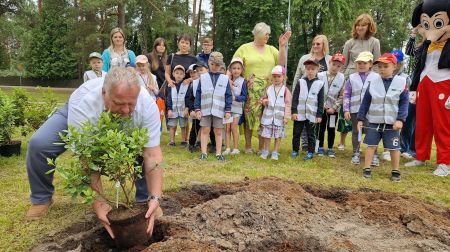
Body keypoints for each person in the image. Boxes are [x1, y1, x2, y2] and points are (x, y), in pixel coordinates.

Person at [26, 67, 164, 238]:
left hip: (128, 125)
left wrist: (156, 197)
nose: (126, 110)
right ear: (104, 93)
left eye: (131, 104)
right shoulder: (84, 106)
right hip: (78, 114)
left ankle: (145, 201)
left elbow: (152, 155)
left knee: (139, 146)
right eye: (120, 103)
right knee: (39, 144)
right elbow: (87, 158)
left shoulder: (147, 105)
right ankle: (41, 198)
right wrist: (97, 201)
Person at [233, 22, 291, 154]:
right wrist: (228, 80)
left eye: (268, 35)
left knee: (264, 118)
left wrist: (282, 46)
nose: (268, 37)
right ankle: (248, 146)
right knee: (249, 118)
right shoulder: (244, 48)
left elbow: (281, 64)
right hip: (250, 91)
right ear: (258, 34)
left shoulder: (271, 49)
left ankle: (261, 148)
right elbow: (234, 65)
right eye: (266, 34)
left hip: (268, 91)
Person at [407, 0, 450, 177]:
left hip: (444, 83)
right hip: (425, 84)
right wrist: (414, 88)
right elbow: (418, 67)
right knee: (422, 123)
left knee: (443, 125)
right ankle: (421, 155)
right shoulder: (426, 45)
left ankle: (445, 162)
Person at [357, 53, 409, 182]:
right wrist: (360, 118)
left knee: (394, 147)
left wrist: (400, 119)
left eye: (386, 66)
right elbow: (365, 102)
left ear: (394, 66)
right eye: (379, 66)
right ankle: (367, 168)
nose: (382, 69)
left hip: (392, 124)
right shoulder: (372, 82)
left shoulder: (402, 82)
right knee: (370, 145)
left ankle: (395, 170)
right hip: (374, 122)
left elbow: (404, 103)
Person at [339, 13, 381, 151]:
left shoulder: (375, 42)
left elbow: (376, 64)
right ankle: (345, 144)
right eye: (358, 25)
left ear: (369, 26)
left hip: (369, 80)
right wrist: (342, 79)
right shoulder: (349, 43)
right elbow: (343, 65)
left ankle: (371, 148)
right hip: (351, 77)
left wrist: (375, 80)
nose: (360, 27)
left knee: (369, 119)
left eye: (363, 25)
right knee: (349, 115)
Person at [292, 35, 332, 152]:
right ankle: (305, 144)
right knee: (303, 120)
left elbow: (332, 78)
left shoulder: (329, 60)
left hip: (321, 96)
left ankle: (316, 145)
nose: (315, 46)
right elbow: (297, 76)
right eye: (314, 43)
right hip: (304, 96)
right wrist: (295, 92)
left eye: (318, 44)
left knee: (318, 121)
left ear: (324, 45)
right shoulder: (305, 58)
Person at [194, 52, 232, 161]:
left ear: (221, 65)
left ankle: (218, 153)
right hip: (205, 109)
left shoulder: (225, 79)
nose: (215, 67)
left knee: (219, 131)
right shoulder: (203, 77)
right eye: (213, 64)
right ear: (209, 63)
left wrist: (228, 110)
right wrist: (197, 109)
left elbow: (228, 95)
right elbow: (198, 93)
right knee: (205, 129)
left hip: (219, 110)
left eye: (218, 65)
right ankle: (203, 153)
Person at [343, 51, 379, 165]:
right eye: (359, 63)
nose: (361, 65)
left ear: (370, 64)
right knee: (355, 131)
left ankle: (374, 154)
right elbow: (346, 94)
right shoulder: (351, 78)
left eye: (364, 62)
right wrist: (346, 109)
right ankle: (356, 153)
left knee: (372, 132)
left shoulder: (377, 77)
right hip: (355, 110)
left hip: (371, 111)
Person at [382, 49, 413, 162]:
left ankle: (395, 149)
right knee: (385, 128)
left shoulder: (405, 78)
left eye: (398, 62)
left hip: (398, 109)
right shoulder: (383, 75)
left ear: (400, 64)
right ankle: (386, 151)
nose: (396, 64)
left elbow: (406, 96)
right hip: (386, 108)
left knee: (396, 130)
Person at [291, 59, 324, 160]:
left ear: (317, 69)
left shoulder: (320, 83)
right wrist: (294, 111)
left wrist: (319, 115)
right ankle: (295, 150)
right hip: (299, 113)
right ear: (305, 69)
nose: (310, 71)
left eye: (312, 69)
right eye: (308, 69)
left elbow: (321, 101)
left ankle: (310, 152)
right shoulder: (300, 82)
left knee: (311, 134)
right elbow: (295, 97)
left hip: (312, 114)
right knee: (296, 133)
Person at [316, 53, 346, 158]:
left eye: (338, 66)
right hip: (321, 108)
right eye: (333, 64)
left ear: (341, 67)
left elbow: (342, 95)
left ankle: (330, 148)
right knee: (321, 127)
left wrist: (334, 107)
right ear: (329, 63)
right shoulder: (320, 76)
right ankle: (319, 147)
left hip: (333, 110)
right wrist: (322, 105)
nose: (335, 67)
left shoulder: (342, 78)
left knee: (331, 128)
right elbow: (316, 92)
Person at [259, 65, 291, 160]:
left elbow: (288, 104)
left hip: (279, 118)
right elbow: (262, 99)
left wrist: (286, 117)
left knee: (278, 136)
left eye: (279, 76)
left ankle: (275, 152)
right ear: (271, 77)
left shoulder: (285, 90)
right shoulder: (268, 88)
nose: (276, 78)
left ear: (284, 77)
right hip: (268, 118)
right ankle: (265, 151)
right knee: (267, 135)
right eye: (274, 76)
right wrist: (264, 102)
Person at [223, 58, 248, 155]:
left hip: (237, 108)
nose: (236, 70)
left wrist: (235, 98)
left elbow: (244, 96)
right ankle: (228, 148)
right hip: (227, 108)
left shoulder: (243, 81)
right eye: (234, 68)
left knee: (234, 127)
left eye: (238, 68)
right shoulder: (226, 80)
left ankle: (236, 148)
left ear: (241, 70)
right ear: (230, 69)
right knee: (227, 128)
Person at [186, 63, 208, 152]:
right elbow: (189, 98)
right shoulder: (193, 84)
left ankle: (213, 145)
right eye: (197, 71)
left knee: (209, 129)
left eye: (201, 70)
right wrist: (191, 110)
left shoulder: (211, 81)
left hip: (208, 110)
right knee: (195, 127)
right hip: (197, 110)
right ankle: (192, 144)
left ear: (207, 70)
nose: (199, 72)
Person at [166, 65, 189, 146]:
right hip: (173, 110)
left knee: (183, 126)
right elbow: (168, 98)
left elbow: (188, 97)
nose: (179, 75)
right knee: (172, 126)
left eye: (181, 73)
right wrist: (169, 109)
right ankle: (172, 141)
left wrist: (187, 108)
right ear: (173, 74)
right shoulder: (170, 85)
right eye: (177, 73)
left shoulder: (186, 85)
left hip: (183, 110)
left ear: (184, 75)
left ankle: (183, 141)